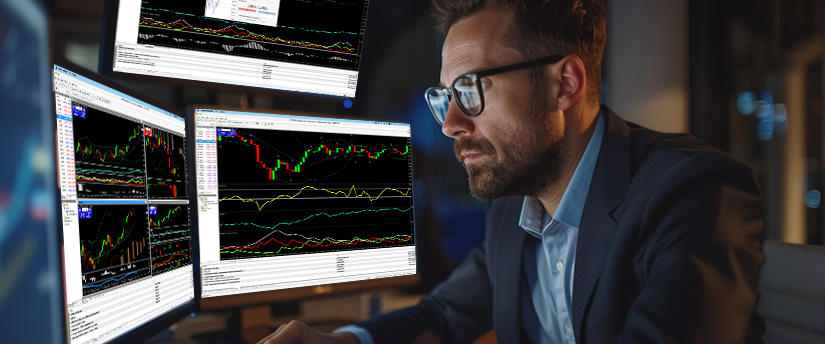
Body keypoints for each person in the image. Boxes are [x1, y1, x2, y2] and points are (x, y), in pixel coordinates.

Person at [258, 0, 765, 343]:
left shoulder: (695, 193)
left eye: (472, 88)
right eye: (446, 97)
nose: (451, 123)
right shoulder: (513, 205)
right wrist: (346, 341)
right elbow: (445, 313)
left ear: (564, 85)